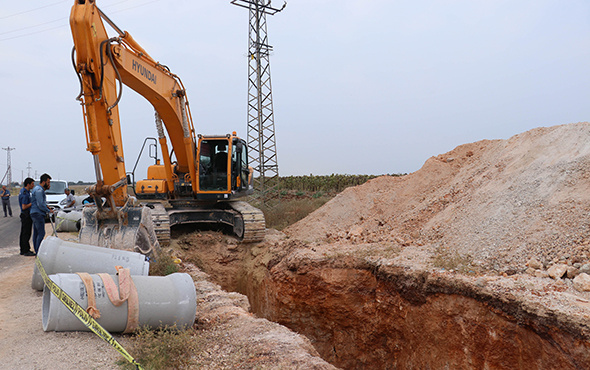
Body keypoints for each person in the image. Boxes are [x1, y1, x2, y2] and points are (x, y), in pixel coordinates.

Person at [30, 173, 53, 254]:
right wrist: (48, 210)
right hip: (38, 213)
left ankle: (37, 250)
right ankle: (38, 251)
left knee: (36, 233)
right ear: (43, 182)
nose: (49, 184)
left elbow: (40, 202)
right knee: (41, 233)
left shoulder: (37, 189)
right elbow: (40, 204)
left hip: (34, 213)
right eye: (48, 182)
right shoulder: (39, 190)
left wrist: (47, 207)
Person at [18, 178, 35, 256]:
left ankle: (23, 249)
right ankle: (26, 250)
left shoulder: (25, 191)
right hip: (26, 214)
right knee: (26, 233)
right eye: (32, 184)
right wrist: (32, 203)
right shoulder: (25, 193)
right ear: (28, 184)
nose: (33, 185)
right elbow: (24, 206)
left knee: (24, 232)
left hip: (25, 214)